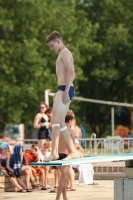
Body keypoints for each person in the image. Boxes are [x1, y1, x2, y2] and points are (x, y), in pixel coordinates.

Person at [45, 31, 78, 161]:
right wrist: (60, 91)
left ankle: (54, 153)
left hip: (65, 88)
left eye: (52, 45)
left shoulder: (64, 52)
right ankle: (73, 151)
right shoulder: (64, 53)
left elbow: (72, 72)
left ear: (58, 41)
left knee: (54, 121)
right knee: (61, 122)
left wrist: (65, 90)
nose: (51, 48)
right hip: (63, 88)